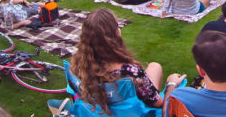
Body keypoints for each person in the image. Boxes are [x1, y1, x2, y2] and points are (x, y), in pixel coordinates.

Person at [49, 8, 185, 114]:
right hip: (129, 111)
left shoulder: (79, 63)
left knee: (154, 68)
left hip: (98, 107)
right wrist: (171, 83)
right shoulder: (130, 71)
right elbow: (158, 104)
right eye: (117, 26)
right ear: (115, 34)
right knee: (155, 68)